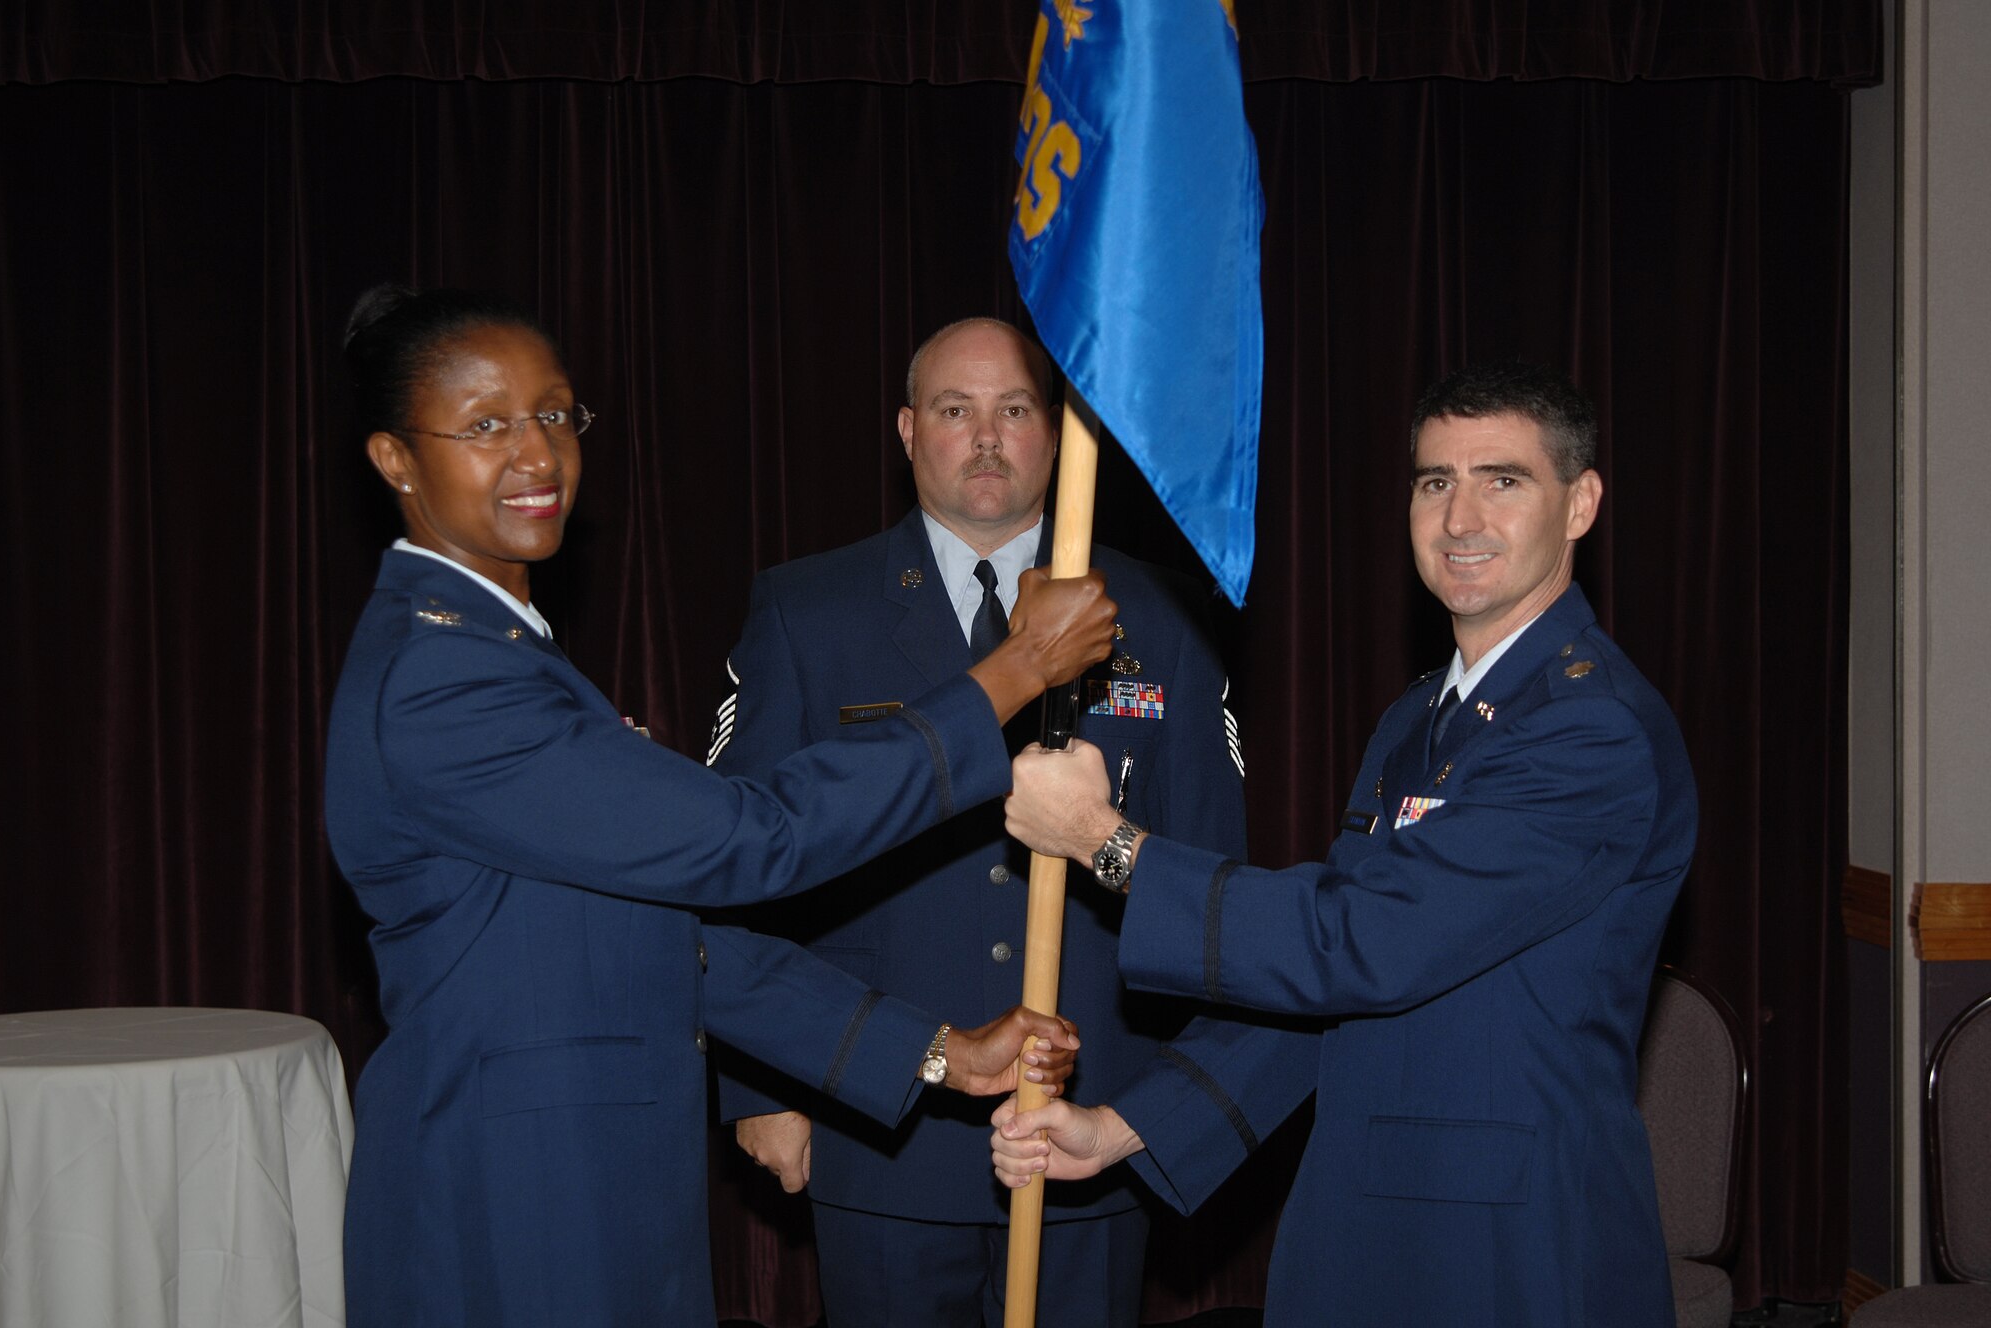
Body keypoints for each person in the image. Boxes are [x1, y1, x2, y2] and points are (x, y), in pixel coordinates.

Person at [325, 285, 1117, 1327]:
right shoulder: (444, 677)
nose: (536, 454)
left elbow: (676, 939)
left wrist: (929, 1050)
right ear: (395, 459)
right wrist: (1010, 674)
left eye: (556, 414)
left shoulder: (500, 645)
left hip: (583, 1182)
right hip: (512, 1194)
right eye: (484, 426)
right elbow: (753, 837)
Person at [991, 361, 1698, 1327]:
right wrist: (1129, 1126)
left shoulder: (1590, 731)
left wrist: (1106, 842)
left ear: (1580, 504)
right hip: (1367, 1222)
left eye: (1504, 480)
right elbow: (1322, 1000)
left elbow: (1360, 943)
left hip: (1510, 1251)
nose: (1460, 518)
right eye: (1434, 482)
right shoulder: (1421, 717)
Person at [710, 317, 1246, 1327]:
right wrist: (758, 1086)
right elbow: (742, 865)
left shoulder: (1161, 615)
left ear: (1054, 434)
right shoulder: (807, 610)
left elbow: (1213, 881)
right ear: (909, 431)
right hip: (879, 1122)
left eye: (1013, 409)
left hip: (1087, 1121)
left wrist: (1167, 1102)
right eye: (956, 411)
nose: (986, 435)